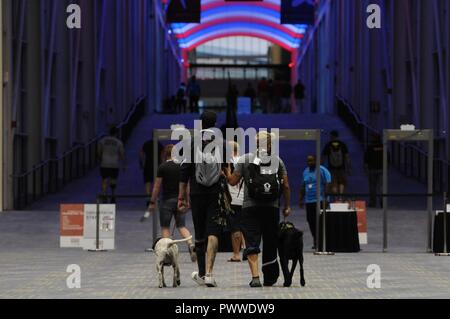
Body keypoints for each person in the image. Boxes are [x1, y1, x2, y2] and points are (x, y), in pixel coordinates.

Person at [226, 131, 292, 288]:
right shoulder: (277, 161)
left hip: (250, 207)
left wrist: (227, 173)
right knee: (270, 241)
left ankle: (255, 277)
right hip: (272, 208)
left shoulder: (245, 159)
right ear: (270, 145)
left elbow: (233, 182)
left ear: (256, 144)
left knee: (252, 241)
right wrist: (287, 205)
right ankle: (269, 277)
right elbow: (286, 185)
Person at [178, 111, 225, 287]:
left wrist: (182, 196)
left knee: (199, 234)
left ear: (201, 123)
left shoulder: (192, 142)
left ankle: (202, 274)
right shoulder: (221, 142)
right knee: (213, 232)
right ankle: (211, 274)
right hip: (215, 192)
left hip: (197, 193)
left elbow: (184, 171)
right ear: (215, 123)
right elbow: (227, 168)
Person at [143, 145, 197, 262]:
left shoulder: (162, 167)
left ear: (164, 154)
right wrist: (186, 201)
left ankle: (168, 253)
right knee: (181, 226)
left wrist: (152, 201)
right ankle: (190, 244)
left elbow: (157, 186)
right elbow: (186, 185)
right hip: (180, 200)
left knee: (165, 227)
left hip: (166, 201)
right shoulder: (182, 166)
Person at [299, 155, 332, 248]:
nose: (310, 162)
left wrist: (326, 198)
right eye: (308, 161)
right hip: (309, 201)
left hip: (320, 200)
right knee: (311, 221)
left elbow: (328, 183)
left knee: (321, 222)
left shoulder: (322, 170)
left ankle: (322, 241)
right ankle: (316, 240)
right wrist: (301, 199)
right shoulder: (305, 171)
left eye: (312, 161)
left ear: (316, 161)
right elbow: (303, 186)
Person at [226, 141, 245, 263]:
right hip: (245, 197)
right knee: (245, 225)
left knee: (235, 227)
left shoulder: (229, 162)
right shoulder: (245, 161)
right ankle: (247, 250)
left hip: (233, 198)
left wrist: (225, 172)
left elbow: (230, 179)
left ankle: (236, 254)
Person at [98, 127, 126, 203]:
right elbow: (122, 154)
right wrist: (124, 164)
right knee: (113, 180)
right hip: (114, 164)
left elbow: (99, 152)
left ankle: (104, 195)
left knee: (104, 180)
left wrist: (100, 160)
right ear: (116, 133)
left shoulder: (102, 141)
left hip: (104, 163)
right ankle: (113, 195)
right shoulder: (119, 142)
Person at [322, 130, 351, 197]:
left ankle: (336, 198)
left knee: (333, 182)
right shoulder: (342, 144)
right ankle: (340, 196)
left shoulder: (328, 145)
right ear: (337, 136)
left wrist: (321, 166)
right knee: (342, 182)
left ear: (331, 136)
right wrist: (349, 167)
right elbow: (347, 157)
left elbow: (323, 157)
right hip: (341, 167)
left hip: (331, 167)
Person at [140, 139, 164, 210]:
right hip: (157, 165)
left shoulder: (146, 143)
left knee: (147, 182)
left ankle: (148, 199)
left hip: (148, 165)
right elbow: (162, 155)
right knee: (157, 183)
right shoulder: (159, 144)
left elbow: (141, 154)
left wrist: (141, 163)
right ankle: (156, 199)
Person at [364, 134, 384, 208]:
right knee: (381, 186)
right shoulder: (383, 147)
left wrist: (366, 169)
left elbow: (366, 159)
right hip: (381, 169)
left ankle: (373, 202)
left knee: (372, 186)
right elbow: (388, 158)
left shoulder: (370, 148)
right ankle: (382, 201)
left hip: (372, 169)